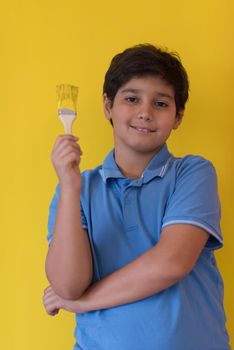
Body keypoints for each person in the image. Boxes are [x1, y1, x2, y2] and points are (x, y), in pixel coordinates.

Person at [43, 44, 231, 350]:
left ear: (178, 116)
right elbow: (67, 285)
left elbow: (171, 263)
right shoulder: (76, 188)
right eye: (132, 99)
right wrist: (70, 187)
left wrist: (83, 302)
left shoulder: (192, 173)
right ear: (107, 106)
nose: (145, 112)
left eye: (160, 103)